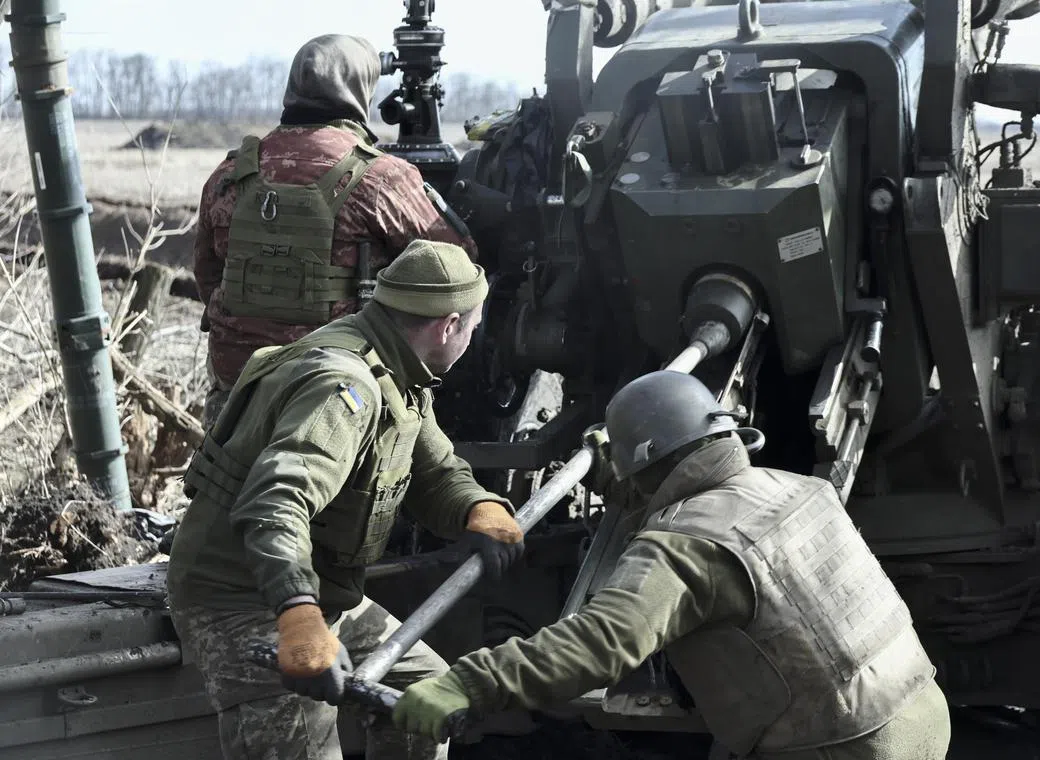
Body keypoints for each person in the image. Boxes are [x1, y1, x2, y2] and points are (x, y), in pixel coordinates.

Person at [392, 370, 953, 760]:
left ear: (645, 465)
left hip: (841, 747)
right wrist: (622, 477)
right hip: (919, 710)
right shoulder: (799, 488)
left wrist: (468, 682)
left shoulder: (685, 543)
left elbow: (599, 643)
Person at [166, 239, 524, 760]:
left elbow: (435, 470)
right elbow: (275, 505)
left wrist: (478, 510)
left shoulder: (395, 365)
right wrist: (297, 616)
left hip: (322, 596)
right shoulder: (344, 387)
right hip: (241, 598)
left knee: (423, 695)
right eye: (471, 327)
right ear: (448, 326)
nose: (471, 339)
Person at [193, 33, 477, 430]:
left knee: (224, 492)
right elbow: (455, 266)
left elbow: (207, 276)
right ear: (359, 90)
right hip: (337, 402)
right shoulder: (381, 178)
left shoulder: (229, 175)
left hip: (235, 394)